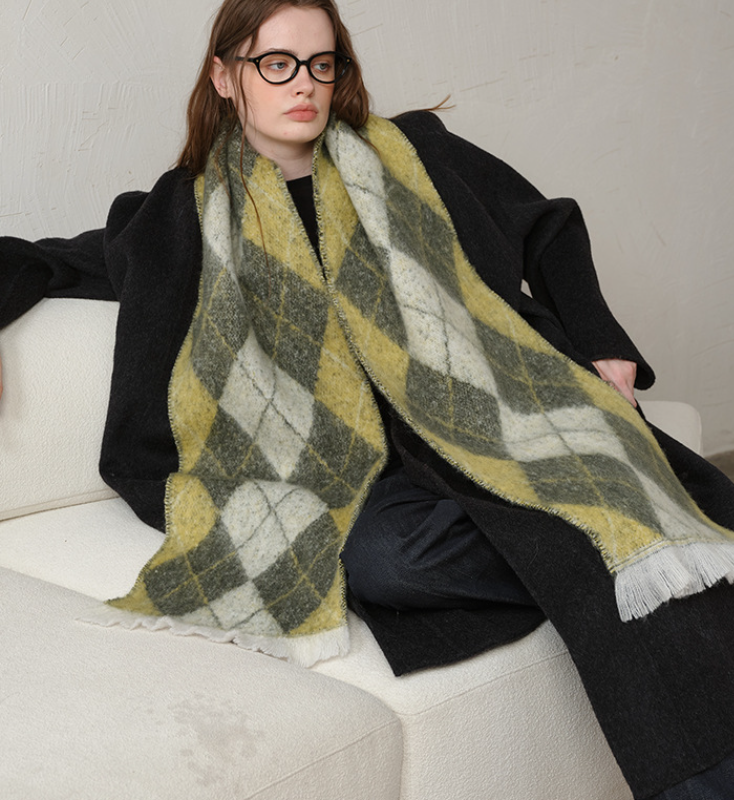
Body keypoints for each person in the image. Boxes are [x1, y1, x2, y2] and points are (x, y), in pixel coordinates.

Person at [2, 1, 734, 797]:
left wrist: (605, 345)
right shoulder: (179, 216)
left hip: (491, 417)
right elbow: (49, 259)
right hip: (357, 472)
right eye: (276, 63)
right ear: (224, 76)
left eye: (322, 64)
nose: (304, 85)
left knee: (592, 509)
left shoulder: (415, 153)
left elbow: (547, 225)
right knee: (393, 562)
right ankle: (624, 538)